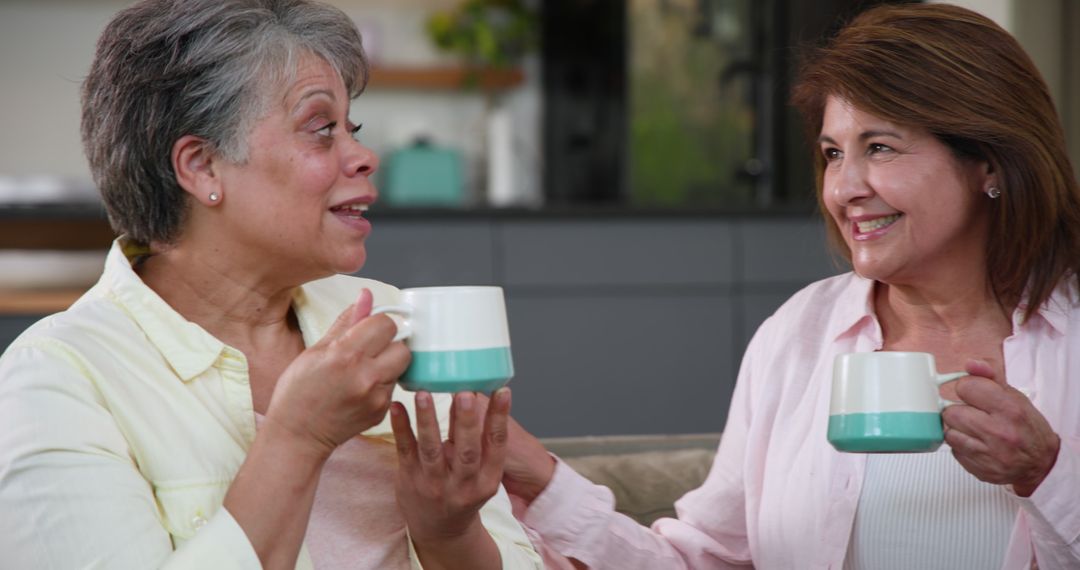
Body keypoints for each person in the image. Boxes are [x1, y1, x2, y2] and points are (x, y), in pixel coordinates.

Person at [499, 4, 1080, 569]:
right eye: (833, 154)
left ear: (989, 162)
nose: (842, 189)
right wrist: (543, 482)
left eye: (880, 148)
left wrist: (1045, 474)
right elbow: (710, 560)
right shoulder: (800, 332)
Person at [0, 1, 542, 569]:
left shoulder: (382, 317)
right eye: (321, 129)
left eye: (351, 129)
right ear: (202, 166)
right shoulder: (58, 381)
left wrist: (449, 533)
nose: (364, 156)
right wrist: (298, 439)